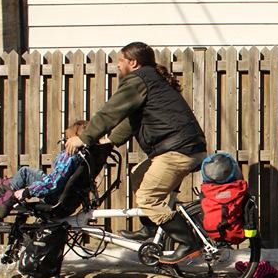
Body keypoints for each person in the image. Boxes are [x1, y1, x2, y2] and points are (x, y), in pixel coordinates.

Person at [65, 42, 207, 261]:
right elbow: (133, 120)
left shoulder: (138, 80)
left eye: (120, 61)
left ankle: (189, 243)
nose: (117, 65)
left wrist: (84, 137)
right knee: (138, 177)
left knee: (148, 198)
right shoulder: (151, 79)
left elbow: (111, 112)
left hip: (178, 149)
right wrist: (109, 140)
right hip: (182, 146)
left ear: (133, 62)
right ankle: (151, 229)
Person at [0, 120, 94, 217]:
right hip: (65, 196)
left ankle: (4, 199)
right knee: (28, 174)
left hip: (54, 196)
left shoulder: (71, 156)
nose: (65, 142)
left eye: (68, 138)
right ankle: (5, 185)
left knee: (25, 172)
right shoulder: (86, 157)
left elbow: (53, 183)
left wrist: (27, 191)